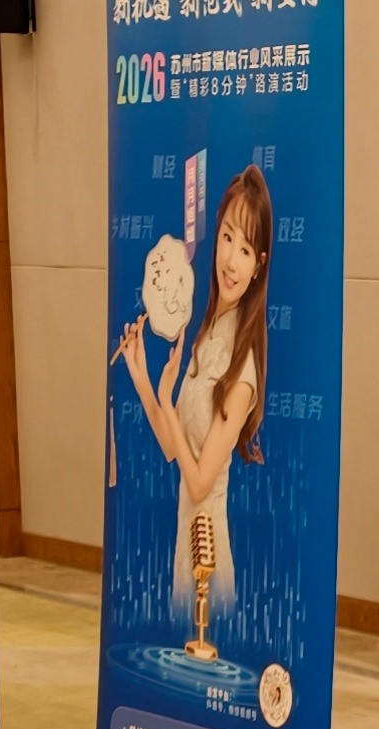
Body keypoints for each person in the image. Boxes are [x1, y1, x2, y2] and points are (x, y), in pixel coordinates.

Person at [116, 161, 272, 628]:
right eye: (227, 238)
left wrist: (167, 400)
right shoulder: (205, 334)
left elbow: (201, 482)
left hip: (210, 557)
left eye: (246, 249)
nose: (231, 261)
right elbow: (173, 447)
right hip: (183, 546)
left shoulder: (243, 367)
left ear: (259, 264)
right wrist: (143, 378)